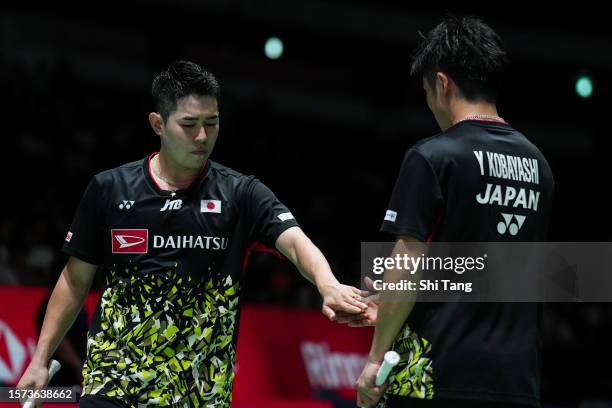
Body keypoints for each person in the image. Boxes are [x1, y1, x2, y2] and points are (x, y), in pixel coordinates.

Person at [16, 60, 368, 407]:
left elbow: (294, 239)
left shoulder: (240, 194)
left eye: (211, 123)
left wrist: (327, 283)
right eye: (189, 124)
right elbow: (76, 280)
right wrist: (39, 359)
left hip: (199, 394)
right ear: (158, 123)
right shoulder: (111, 189)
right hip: (114, 383)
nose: (202, 136)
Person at [350, 16, 555, 408]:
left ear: (442, 84)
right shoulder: (538, 165)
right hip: (516, 382)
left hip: (436, 376)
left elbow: (408, 261)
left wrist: (375, 358)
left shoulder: (434, 156)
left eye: (427, 91)